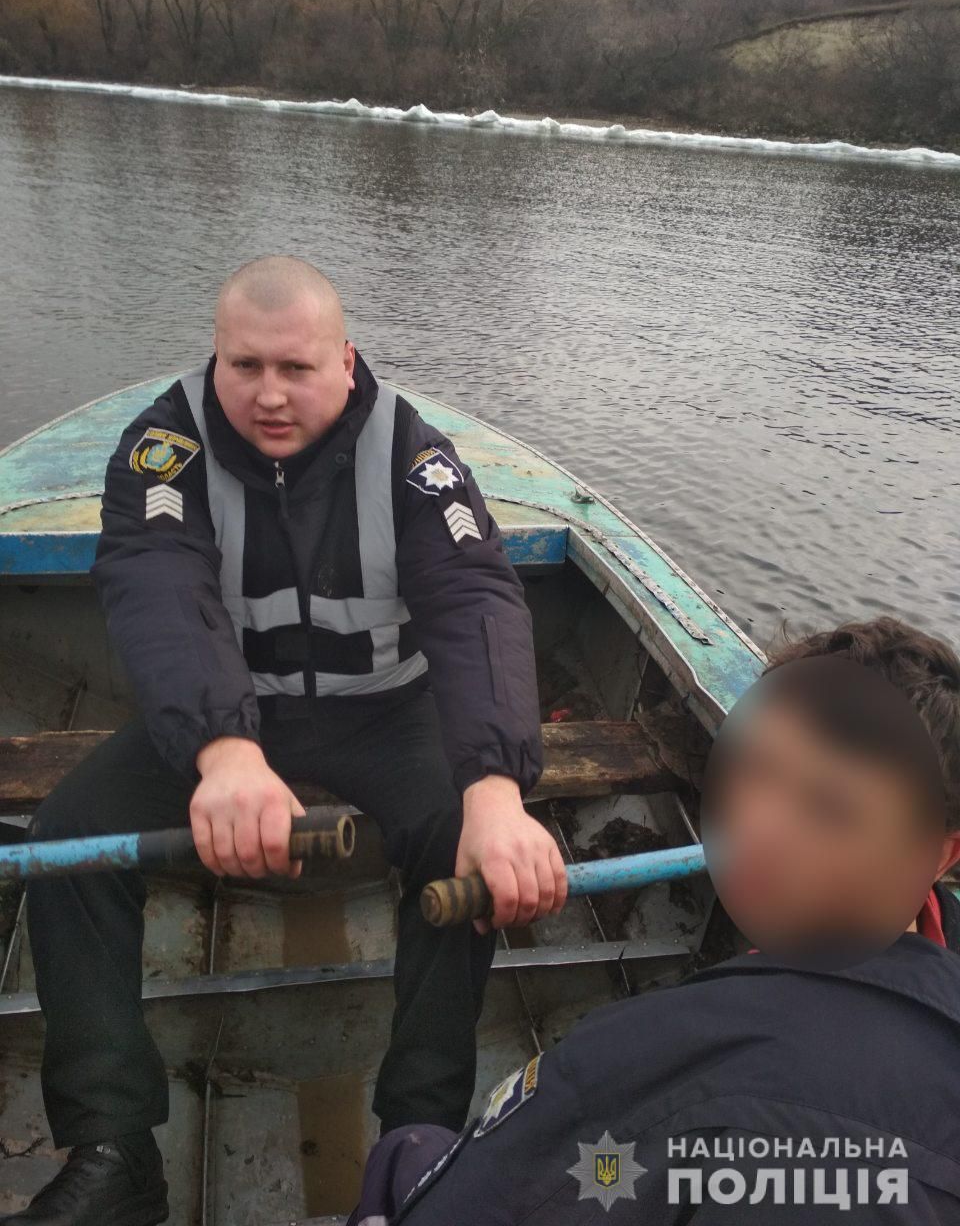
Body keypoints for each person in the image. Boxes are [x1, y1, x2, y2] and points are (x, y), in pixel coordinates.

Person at [5, 256, 567, 1226]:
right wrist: (225, 752)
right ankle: (115, 1148)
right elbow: (156, 583)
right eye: (246, 365)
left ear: (344, 361)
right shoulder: (163, 449)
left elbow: (474, 598)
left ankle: (418, 1136)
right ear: (216, 356)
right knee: (71, 841)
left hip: (386, 711)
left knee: (460, 838)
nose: (269, 394)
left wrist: (494, 787)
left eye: (297, 368)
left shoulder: (414, 457)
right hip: (229, 716)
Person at [347, 615, 960, 1225]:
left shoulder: (646, 1059)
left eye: (831, 809)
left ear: (939, 855)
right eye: (759, 766)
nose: (758, 828)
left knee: (406, 1155)